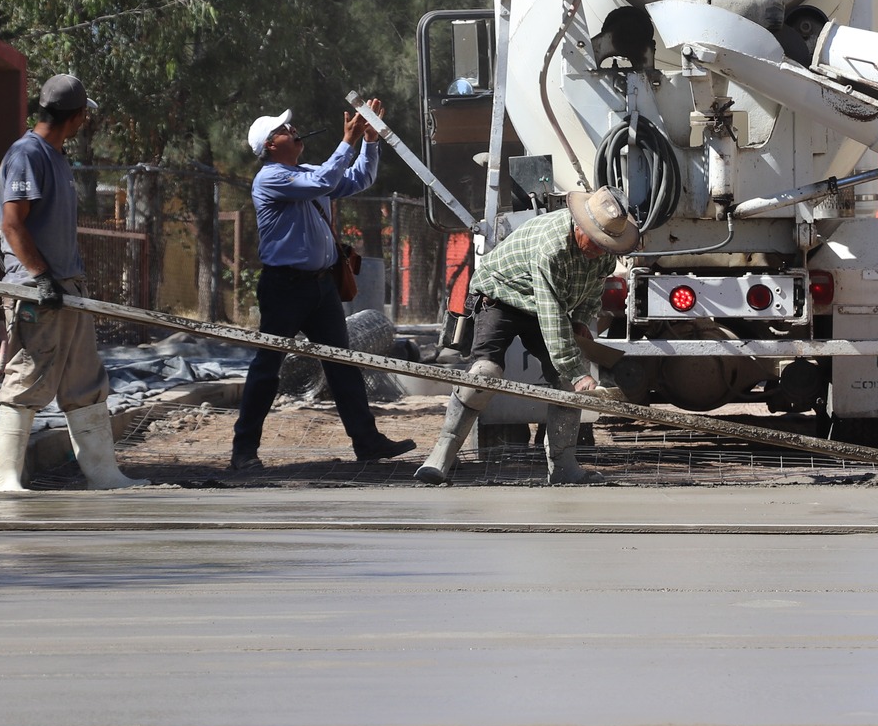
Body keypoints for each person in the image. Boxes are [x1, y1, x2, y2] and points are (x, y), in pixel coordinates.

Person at [228, 104, 416, 471]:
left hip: (320, 286)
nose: (294, 128)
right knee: (268, 368)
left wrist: (369, 142)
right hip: (284, 287)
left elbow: (358, 179)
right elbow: (323, 182)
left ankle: (367, 442)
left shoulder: (309, 172)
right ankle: (243, 451)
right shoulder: (271, 178)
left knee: (342, 364)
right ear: (270, 145)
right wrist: (347, 140)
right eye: (285, 128)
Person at [415, 187, 639, 487]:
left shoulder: (602, 254)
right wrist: (577, 373)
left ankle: (563, 466)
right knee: (485, 374)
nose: (600, 250)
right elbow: (551, 314)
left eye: (605, 245)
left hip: (545, 306)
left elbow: (591, 294)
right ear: (579, 227)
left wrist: (583, 323)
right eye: (596, 242)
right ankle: (441, 456)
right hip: (502, 295)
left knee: (564, 383)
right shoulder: (553, 245)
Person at [0, 74, 141, 492]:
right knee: (28, 376)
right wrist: (40, 278)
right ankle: (5, 479)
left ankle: (103, 474)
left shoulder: (56, 156)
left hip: (69, 287)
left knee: (85, 381)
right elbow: (12, 223)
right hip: (37, 288)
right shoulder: (27, 154)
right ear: (76, 116)